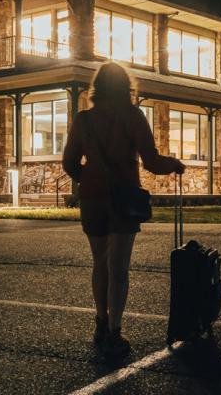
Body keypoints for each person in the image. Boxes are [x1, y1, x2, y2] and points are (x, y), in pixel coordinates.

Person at [62, 61, 184, 356]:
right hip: (123, 198)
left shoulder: (83, 119)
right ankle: (115, 330)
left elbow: (68, 163)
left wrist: (90, 180)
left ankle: (100, 323)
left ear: (97, 87)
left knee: (99, 262)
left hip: (92, 199)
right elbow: (151, 161)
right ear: (126, 86)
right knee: (119, 266)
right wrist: (176, 165)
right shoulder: (133, 116)